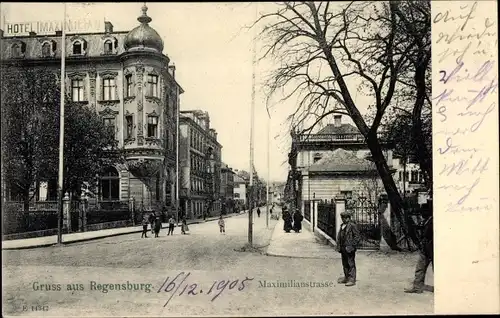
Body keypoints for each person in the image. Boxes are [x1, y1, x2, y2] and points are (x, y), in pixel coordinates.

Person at [405, 202, 434, 293]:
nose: (421, 214)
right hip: (425, 248)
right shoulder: (425, 220)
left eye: (423, 212)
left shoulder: (433, 221)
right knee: (420, 267)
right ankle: (417, 287)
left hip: (432, 249)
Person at [336, 211, 361, 287]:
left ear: (349, 218)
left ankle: (352, 279)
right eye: (342, 218)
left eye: (345, 218)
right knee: (345, 263)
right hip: (343, 247)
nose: (343, 219)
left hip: (349, 248)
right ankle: (346, 277)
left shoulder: (352, 226)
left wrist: (352, 246)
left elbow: (357, 237)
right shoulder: (342, 226)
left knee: (351, 263)